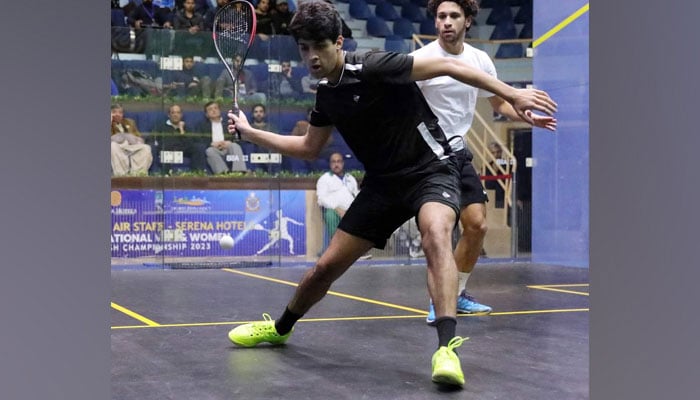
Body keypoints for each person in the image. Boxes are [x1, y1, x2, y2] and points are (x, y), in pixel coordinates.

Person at [225, 0, 557, 388]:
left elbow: (450, 65)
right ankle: (280, 328)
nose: (312, 57)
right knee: (325, 268)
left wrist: (511, 94)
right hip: (383, 183)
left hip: (432, 168)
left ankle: (446, 349)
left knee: (436, 234)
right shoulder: (326, 96)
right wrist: (250, 133)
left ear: (339, 41)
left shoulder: (374, 65)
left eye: (320, 46)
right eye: (304, 49)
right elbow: (308, 148)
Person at [410, 0, 557, 325]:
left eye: (454, 16)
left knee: (476, 226)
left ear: (468, 21)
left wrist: (525, 115)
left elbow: (499, 104)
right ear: (435, 22)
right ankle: (441, 299)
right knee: (439, 231)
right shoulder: (421, 59)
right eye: (441, 16)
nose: (446, 22)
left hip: (459, 153)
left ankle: (456, 293)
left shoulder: (479, 60)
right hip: (427, 157)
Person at [316, 152, 359, 252]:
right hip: (334, 209)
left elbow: (356, 195)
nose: (336, 164)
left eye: (339, 161)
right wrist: (337, 208)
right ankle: (339, 250)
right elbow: (321, 199)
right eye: (333, 162)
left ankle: (356, 251)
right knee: (331, 215)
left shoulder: (350, 178)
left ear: (343, 163)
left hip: (350, 210)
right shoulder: (325, 179)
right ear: (330, 164)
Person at [148, 104, 208, 173]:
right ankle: (166, 175)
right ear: (169, 115)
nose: (175, 115)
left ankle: (197, 174)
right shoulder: (161, 127)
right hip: (168, 151)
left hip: (183, 151)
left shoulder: (187, 128)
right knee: (165, 148)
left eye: (178, 112)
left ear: (181, 115)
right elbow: (151, 139)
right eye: (173, 113)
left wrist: (181, 130)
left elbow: (192, 143)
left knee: (199, 147)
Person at [195, 101, 248, 174]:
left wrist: (229, 142)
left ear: (219, 111)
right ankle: (223, 173)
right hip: (214, 149)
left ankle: (239, 172)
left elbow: (237, 136)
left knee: (235, 146)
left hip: (228, 147)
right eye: (210, 109)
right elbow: (199, 140)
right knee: (209, 151)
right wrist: (211, 144)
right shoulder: (202, 126)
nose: (213, 110)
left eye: (215, 108)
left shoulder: (229, 123)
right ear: (206, 114)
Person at [110, 104, 153, 176]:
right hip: (118, 146)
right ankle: (121, 175)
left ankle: (137, 174)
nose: (117, 114)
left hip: (131, 146)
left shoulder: (130, 122)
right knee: (113, 145)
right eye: (114, 112)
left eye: (120, 112)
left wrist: (136, 139)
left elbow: (139, 138)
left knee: (146, 148)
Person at [484, 141, 506, 208]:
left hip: (506, 198)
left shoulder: (507, 165)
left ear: (501, 152)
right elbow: (488, 186)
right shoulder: (487, 168)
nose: (496, 155)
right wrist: (494, 171)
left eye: (498, 152)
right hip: (495, 200)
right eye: (493, 153)